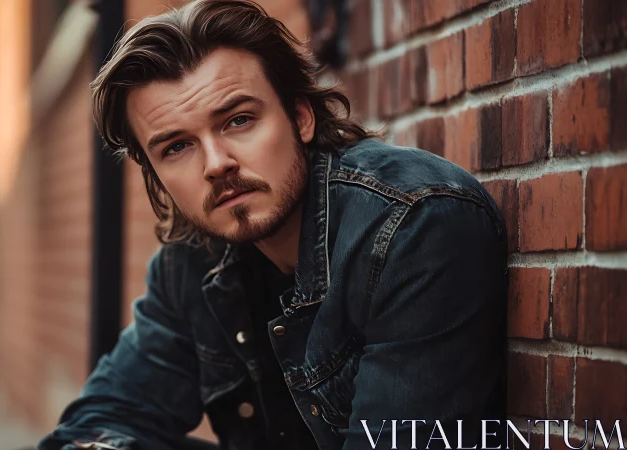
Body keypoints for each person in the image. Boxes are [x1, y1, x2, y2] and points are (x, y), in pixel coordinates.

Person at [38, 1, 508, 449]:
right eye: (177, 147)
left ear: (300, 117)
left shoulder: (411, 227)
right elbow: (105, 417)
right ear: (155, 173)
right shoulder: (192, 262)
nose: (216, 164)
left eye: (239, 120)